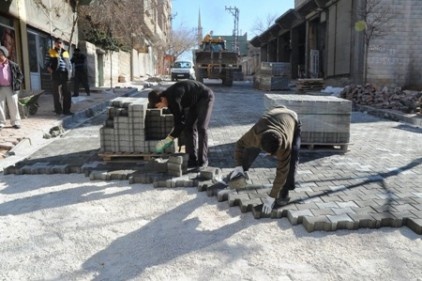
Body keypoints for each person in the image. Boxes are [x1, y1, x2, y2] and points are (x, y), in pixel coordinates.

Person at [228, 106, 302, 214]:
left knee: (292, 159)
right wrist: (238, 165)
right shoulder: (256, 133)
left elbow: (282, 172)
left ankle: (284, 192)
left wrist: (271, 197)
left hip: (293, 120)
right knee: (251, 148)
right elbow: (240, 144)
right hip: (275, 114)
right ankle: (239, 172)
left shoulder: (285, 146)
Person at [148, 80, 214, 169]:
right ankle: (192, 159)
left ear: (162, 99)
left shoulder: (174, 98)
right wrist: (170, 138)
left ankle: (203, 160)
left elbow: (179, 125)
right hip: (194, 102)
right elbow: (179, 122)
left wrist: (167, 141)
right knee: (188, 128)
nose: (160, 108)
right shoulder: (170, 102)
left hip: (205, 96)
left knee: (201, 128)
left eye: (158, 105)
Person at [44, 37, 73, 115]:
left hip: (65, 75)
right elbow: (46, 63)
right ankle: (58, 110)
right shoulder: (51, 52)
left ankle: (67, 110)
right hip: (56, 75)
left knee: (67, 93)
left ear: (62, 44)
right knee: (57, 94)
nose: (59, 44)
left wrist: (70, 71)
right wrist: (51, 71)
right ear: (55, 44)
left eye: (60, 43)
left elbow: (69, 64)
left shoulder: (65, 52)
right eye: (57, 42)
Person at [0, 45, 23, 130]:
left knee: (13, 105)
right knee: (0, 106)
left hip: (11, 87)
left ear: (5, 55)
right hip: (0, 88)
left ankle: (15, 122)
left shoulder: (13, 65)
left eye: (0, 54)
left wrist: (17, 83)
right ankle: (1, 123)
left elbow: (20, 75)